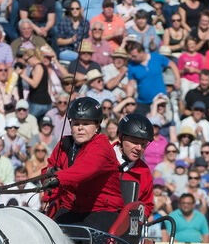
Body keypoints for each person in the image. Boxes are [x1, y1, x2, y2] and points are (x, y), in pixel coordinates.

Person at [44, 97, 124, 231]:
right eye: (76, 124)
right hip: (71, 208)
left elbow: (84, 170)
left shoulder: (101, 146)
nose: (80, 128)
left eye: (86, 124)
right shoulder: (64, 144)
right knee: (48, 233)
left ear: (97, 126)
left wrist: (58, 178)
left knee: (85, 241)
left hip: (102, 210)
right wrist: (47, 176)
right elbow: (50, 168)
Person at [114, 114, 154, 216]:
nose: (139, 148)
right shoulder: (102, 158)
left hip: (126, 228)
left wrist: (138, 215)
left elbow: (147, 205)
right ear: (120, 137)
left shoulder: (145, 171)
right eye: (134, 142)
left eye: (144, 144)